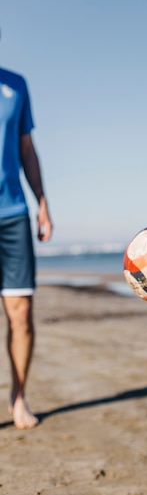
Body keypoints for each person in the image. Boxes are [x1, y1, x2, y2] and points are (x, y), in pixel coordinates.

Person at [0, 53, 53, 429]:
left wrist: (43, 204)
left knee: (21, 314)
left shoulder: (15, 85)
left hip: (12, 213)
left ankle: (18, 397)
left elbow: (26, 149)